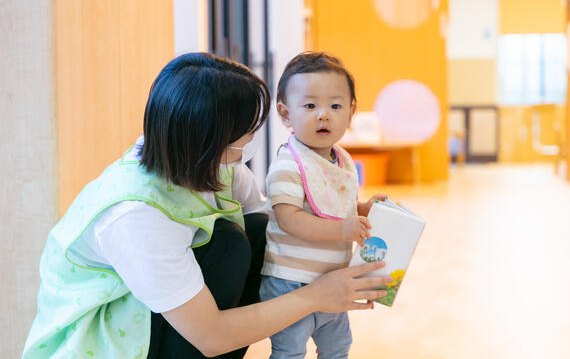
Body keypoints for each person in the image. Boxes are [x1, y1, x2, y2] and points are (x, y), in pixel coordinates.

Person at [23, 52, 391, 359]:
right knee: (230, 245)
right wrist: (313, 296)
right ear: (208, 138)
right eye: (245, 130)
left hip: (160, 312)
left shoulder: (208, 162)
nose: (251, 139)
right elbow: (211, 336)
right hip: (110, 342)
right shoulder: (136, 217)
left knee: (259, 232)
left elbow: (269, 220)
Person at [259, 51, 387, 359]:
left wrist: (362, 209)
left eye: (335, 105)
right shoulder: (289, 164)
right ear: (286, 113)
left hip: (332, 281)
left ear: (351, 112)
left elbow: (332, 203)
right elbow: (290, 218)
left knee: (338, 347)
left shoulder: (340, 159)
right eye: (310, 105)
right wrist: (342, 229)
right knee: (289, 351)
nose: (323, 114)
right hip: (291, 283)